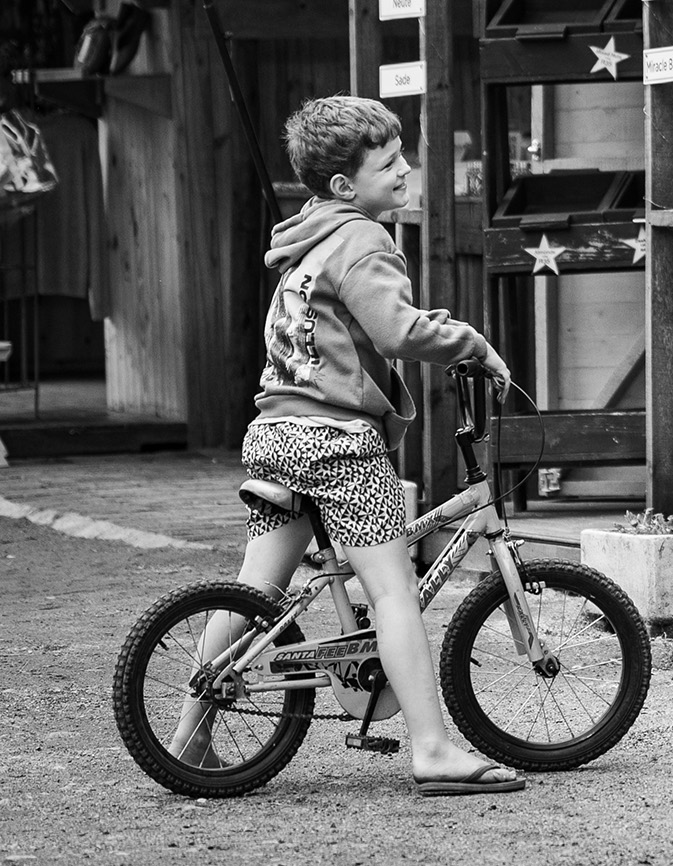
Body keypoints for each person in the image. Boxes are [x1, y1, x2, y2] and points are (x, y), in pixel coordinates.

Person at [171, 96, 520, 796]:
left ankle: (188, 737)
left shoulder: (306, 239)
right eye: (389, 163)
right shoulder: (362, 238)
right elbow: (397, 330)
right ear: (344, 185)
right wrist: (472, 343)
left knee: (254, 592)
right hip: (336, 442)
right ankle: (432, 750)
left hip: (275, 434)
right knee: (393, 593)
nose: (406, 169)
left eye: (402, 156)